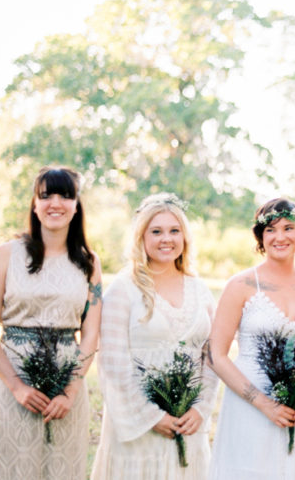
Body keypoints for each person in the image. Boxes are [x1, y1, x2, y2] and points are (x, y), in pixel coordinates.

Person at [0, 166, 102, 479]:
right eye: (46, 195)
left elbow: (90, 335)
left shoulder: (88, 262)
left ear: (76, 206)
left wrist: (69, 393)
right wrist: (17, 387)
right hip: (12, 388)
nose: (55, 203)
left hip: (66, 391)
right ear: (35, 204)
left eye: (65, 195)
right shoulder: (7, 254)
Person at [91, 192, 217, 479]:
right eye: (156, 231)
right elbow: (113, 362)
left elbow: (212, 357)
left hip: (189, 425)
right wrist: (152, 416)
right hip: (137, 430)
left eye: (175, 231)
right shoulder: (123, 290)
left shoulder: (200, 290)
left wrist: (200, 408)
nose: (166, 239)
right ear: (141, 238)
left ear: (185, 237)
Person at [208, 198, 295, 480]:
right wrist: (261, 402)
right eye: (271, 229)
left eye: (288, 228)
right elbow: (215, 354)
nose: (280, 236)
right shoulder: (240, 285)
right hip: (249, 403)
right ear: (261, 237)